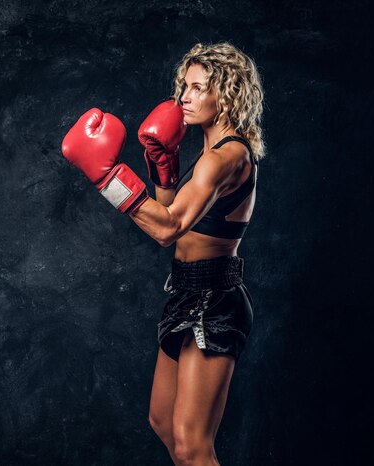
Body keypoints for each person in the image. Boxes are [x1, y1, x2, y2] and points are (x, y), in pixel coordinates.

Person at [61, 41, 265, 465]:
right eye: (184, 87)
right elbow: (168, 221)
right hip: (187, 292)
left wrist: (109, 179)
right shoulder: (209, 155)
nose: (184, 97)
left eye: (198, 88)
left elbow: (167, 226)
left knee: (192, 443)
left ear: (226, 94)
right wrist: (163, 165)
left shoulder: (227, 157)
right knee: (161, 421)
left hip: (215, 299)